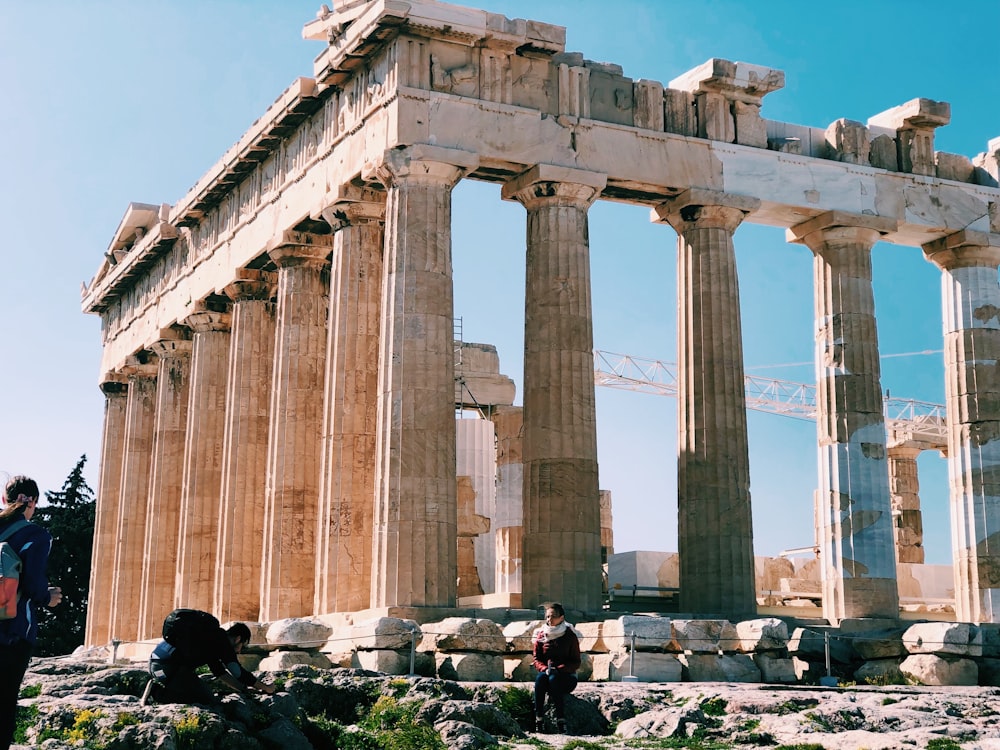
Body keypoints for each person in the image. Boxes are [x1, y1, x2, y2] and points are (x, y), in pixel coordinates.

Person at [0, 476, 61, 750]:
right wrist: (49, 597)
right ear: (32, 502)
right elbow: (34, 585)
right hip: (12, 634)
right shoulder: (35, 535)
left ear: (5, 499)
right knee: (3, 706)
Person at [145, 613, 274, 705]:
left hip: (157, 665)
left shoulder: (211, 640)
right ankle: (156, 694)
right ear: (238, 639)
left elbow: (220, 673)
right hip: (169, 668)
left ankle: (160, 690)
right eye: (243, 646)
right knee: (206, 699)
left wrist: (243, 689)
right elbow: (237, 672)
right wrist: (265, 687)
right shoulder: (222, 641)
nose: (240, 651)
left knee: (204, 694)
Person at [532, 602, 580, 734]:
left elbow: (576, 662)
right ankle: (539, 719)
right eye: (547, 617)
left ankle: (561, 720)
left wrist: (559, 669)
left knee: (554, 680)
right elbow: (536, 659)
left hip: (567, 676)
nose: (549, 620)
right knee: (540, 680)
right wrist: (544, 668)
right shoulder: (541, 635)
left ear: (561, 618)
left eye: (552, 616)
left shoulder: (570, 636)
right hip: (547, 673)